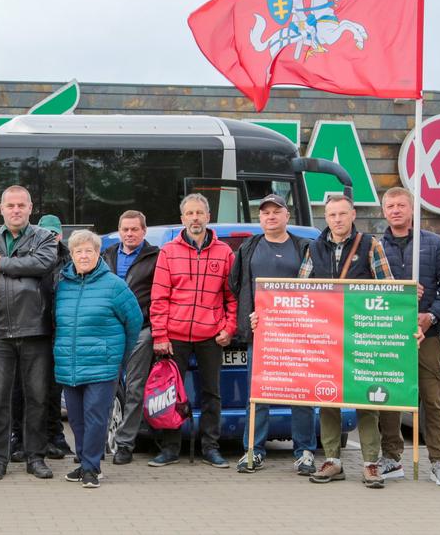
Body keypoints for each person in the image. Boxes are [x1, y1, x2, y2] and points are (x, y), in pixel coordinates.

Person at [298, 194, 392, 488]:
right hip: (326, 335)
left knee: (366, 399)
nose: (337, 220)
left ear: (353, 215)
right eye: (331, 215)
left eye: (342, 214)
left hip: (362, 334)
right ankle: (332, 461)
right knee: (327, 398)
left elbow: (388, 289)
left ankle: (370, 463)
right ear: (325, 218)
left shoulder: (371, 245)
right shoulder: (314, 248)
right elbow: (300, 291)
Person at [148, 194, 237, 470]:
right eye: (190, 213)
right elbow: (159, 297)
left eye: (199, 213)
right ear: (182, 218)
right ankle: (170, 448)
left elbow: (232, 297)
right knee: (171, 393)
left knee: (212, 393)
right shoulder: (168, 252)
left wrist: (229, 328)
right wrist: (160, 335)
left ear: (208, 217)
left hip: (211, 335)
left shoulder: (225, 252)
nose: (195, 218)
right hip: (175, 335)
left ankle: (211, 448)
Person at [376, 187, 440, 485]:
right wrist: (398, 291)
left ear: (412, 209)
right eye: (390, 206)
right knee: (388, 398)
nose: (396, 210)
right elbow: (365, 287)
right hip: (389, 336)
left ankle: (439, 461)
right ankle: (391, 458)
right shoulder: (375, 247)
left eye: (401, 205)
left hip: (427, 336)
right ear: (383, 211)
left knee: (432, 398)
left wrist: (431, 316)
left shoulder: (433, 244)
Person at [227, 194, 313, 474]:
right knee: (258, 394)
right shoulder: (249, 247)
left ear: (287, 216)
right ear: (260, 218)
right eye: (265, 212)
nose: (271, 216)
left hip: (299, 335)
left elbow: (317, 289)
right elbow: (236, 284)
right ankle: (253, 450)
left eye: (277, 211)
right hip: (262, 335)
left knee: (301, 394)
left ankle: (304, 451)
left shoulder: (304, 247)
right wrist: (248, 313)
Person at [0, 185, 58, 481]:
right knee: (0, 399)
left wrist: (1, 263)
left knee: (37, 397)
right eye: (10, 205)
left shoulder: (44, 237)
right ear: (0, 209)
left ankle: (36, 457)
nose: (15, 210)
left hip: (35, 330)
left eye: (21, 205)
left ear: (30, 208)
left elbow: (43, 264)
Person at [54, 230, 143, 488]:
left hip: (103, 365)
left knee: (95, 417)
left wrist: (119, 356)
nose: (83, 255)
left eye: (88, 251)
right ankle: (85, 462)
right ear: (71, 255)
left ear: (98, 254)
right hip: (70, 364)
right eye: (78, 251)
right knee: (76, 418)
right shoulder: (62, 285)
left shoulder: (114, 285)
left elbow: (134, 322)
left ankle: (91, 468)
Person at [104, 210, 160, 465]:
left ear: (143, 231)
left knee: (135, 388)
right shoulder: (107, 255)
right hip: (110, 330)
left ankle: (126, 444)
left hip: (141, 330)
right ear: (119, 231)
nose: (129, 234)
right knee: (105, 386)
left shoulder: (155, 257)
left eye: (134, 229)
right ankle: (99, 444)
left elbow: (160, 295)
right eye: (125, 229)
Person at [34, 213, 73, 460]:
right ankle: (37, 437)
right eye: (46, 232)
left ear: (60, 235)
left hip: (61, 331)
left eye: (54, 232)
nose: (51, 236)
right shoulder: (33, 255)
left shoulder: (70, 259)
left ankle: (56, 435)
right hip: (36, 329)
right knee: (36, 388)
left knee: (55, 388)